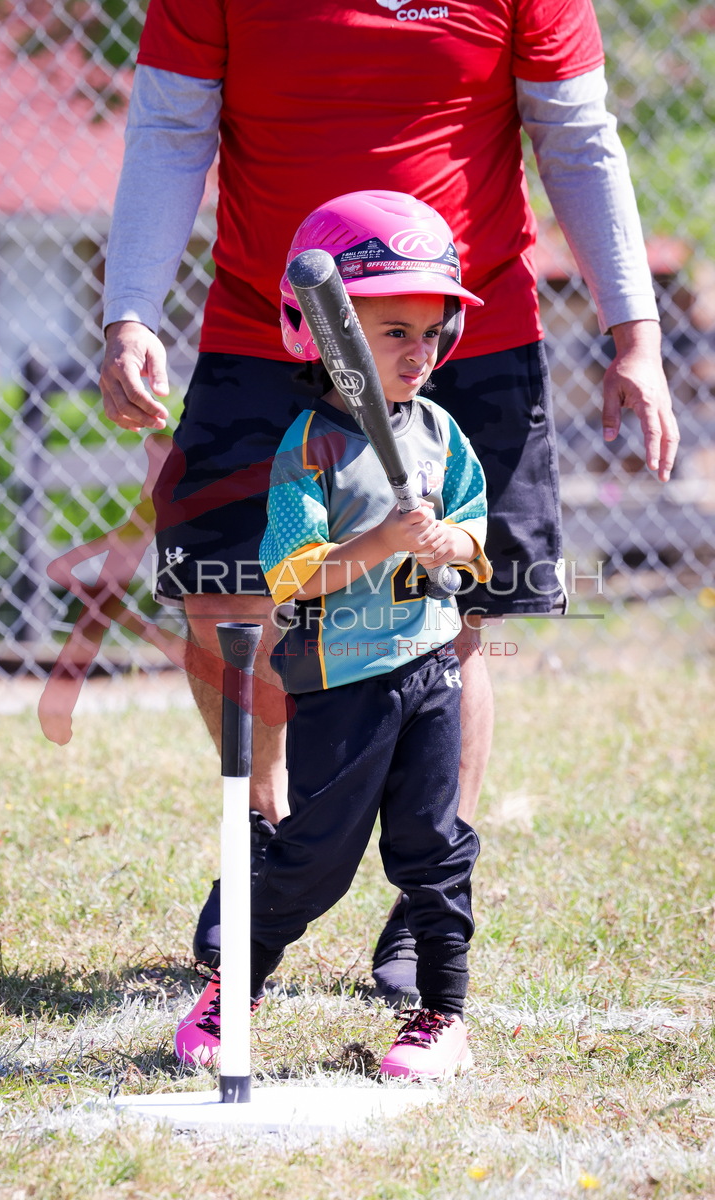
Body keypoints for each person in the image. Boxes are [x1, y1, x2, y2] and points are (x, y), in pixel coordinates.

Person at [99, 0, 680, 1002]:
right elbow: (169, 128)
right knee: (223, 598)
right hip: (266, 327)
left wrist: (636, 333)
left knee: (450, 610)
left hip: (457, 330)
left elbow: (576, 135)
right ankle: (261, 838)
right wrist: (130, 311)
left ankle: (429, 893)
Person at [175, 192, 491, 1079]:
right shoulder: (311, 445)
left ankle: (441, 1014)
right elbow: (292, 575)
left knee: (434, 848)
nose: (418, 351)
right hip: (342, 682)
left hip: (430, 670)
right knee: (314, 859)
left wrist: (452, 543)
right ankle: (236, 985)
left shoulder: (440, 431)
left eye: (429, 333)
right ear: (326, 335)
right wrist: (382, 540)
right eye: (392, 332)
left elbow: (475, 533)